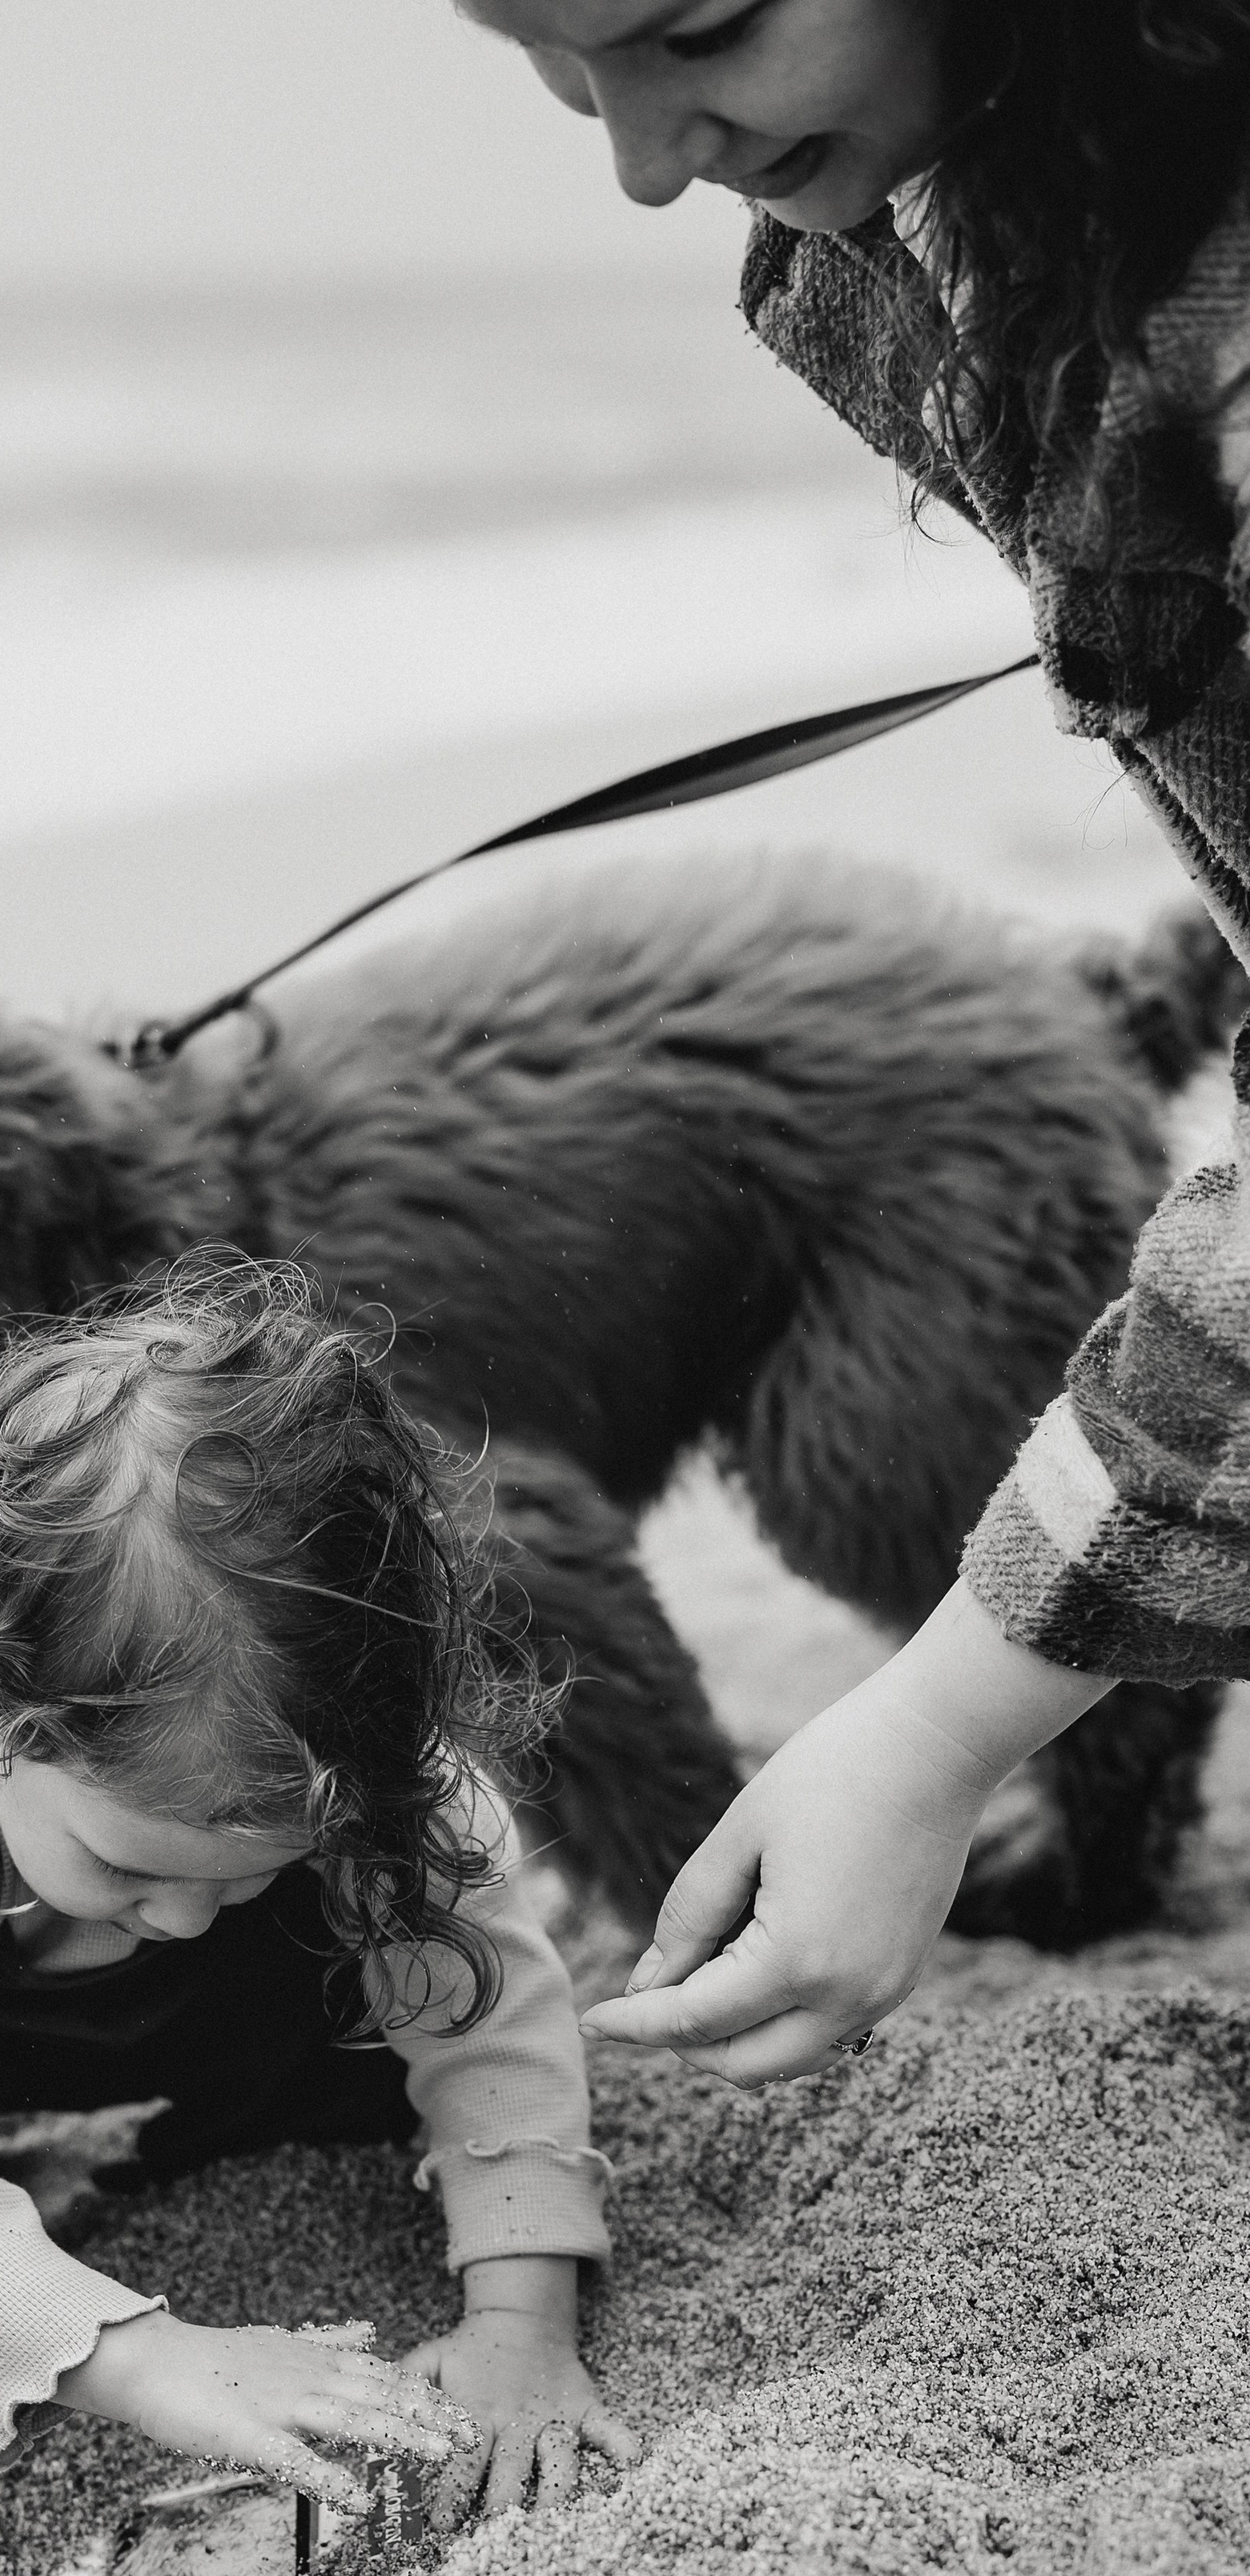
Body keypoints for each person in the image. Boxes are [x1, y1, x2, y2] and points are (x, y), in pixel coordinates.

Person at [445, 0, 1250, 2077]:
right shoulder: (976, 216)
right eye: (557, 72)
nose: (643, 161)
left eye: (696, 29)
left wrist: (940, 1723)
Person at [0, 1258, 638, 2518]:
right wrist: (148, 2360)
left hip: (126, 1958)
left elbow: (490, 2007)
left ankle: (238, 2096)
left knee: (393, 1933)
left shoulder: (334, 1734)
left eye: (249, 1868)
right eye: (133, 1864)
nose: (185, 1916)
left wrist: (522, 2320)